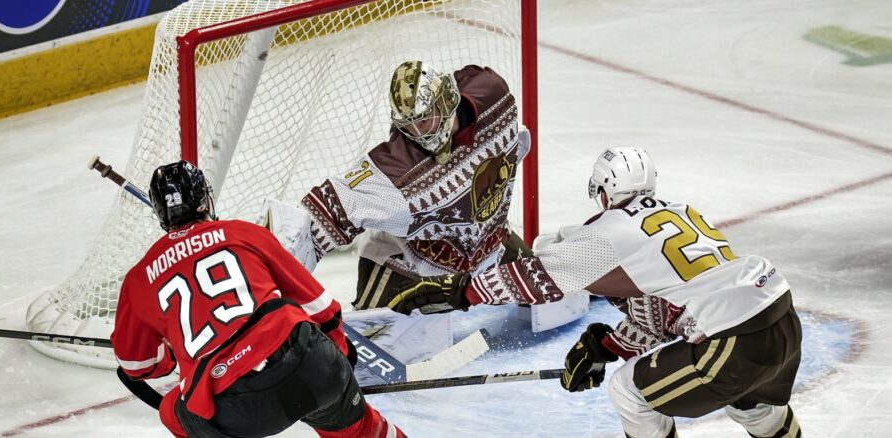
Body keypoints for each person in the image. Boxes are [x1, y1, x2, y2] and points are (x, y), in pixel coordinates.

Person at [390, 147, 803, 438]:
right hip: (781, 318)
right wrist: (609, 345)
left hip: (731, 340)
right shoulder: (682, 211)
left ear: (604, 193)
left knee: (630, 392)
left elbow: (539, 277)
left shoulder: (611, 229)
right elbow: (664, 318)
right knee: (755, 407)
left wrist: (464, 291)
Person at [111, 161, 405, 438]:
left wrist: (173, 355)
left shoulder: (139, 278)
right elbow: (321, 308)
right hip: (306, 366)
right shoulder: (243, 232)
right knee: (360, 428)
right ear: (204, 199)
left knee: (171, 411)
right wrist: (339, 367)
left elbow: (137, 365)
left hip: (232, 406)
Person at [271, 59, 532, 312]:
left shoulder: (492, 93)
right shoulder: (398, 167)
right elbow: (328, 209)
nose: (420, 134)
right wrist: (269, 269)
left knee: (548, 293)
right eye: (409, 126)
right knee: (383, 339)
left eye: (424, 120)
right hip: (407, 266)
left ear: (446, 101)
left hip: (488, 247)